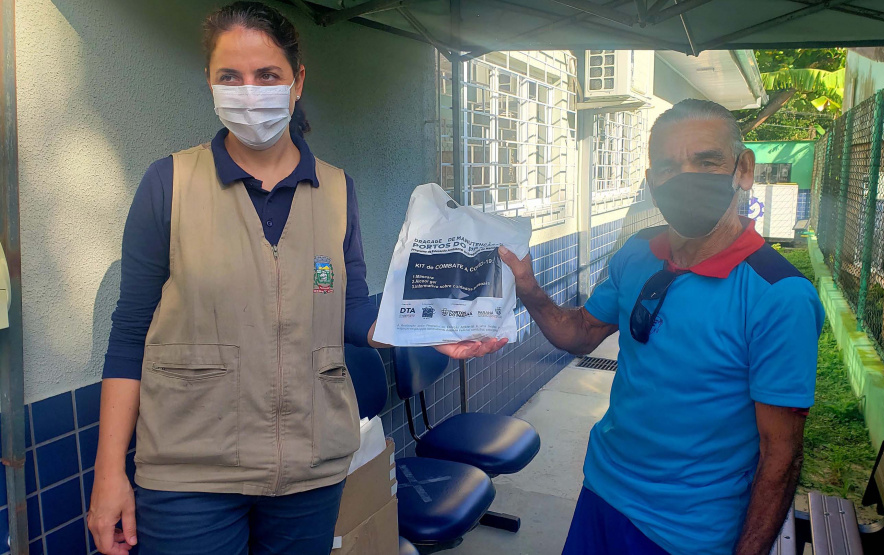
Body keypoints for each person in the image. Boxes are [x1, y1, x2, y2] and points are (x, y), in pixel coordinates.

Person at [86, 3, 505, 555]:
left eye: (267, 75)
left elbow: (353, 310)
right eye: (230, 77)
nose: (250, 92)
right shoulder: (168, 185)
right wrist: (108, 472)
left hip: (309, 469)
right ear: (209, 82)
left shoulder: (337, 191)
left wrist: (425, 327)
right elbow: (129, 334)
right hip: (189, 473)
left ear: (297, 81)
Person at [500, 99, 824, 555]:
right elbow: (580, 334)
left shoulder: (779, 297)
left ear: (743, 169)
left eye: (706, 161)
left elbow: (781, 455)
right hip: (602, 493)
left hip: (688, 533)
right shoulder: (637, 253)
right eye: (669, 167)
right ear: (652, 181)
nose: (685, 177)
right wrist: (529, 289)